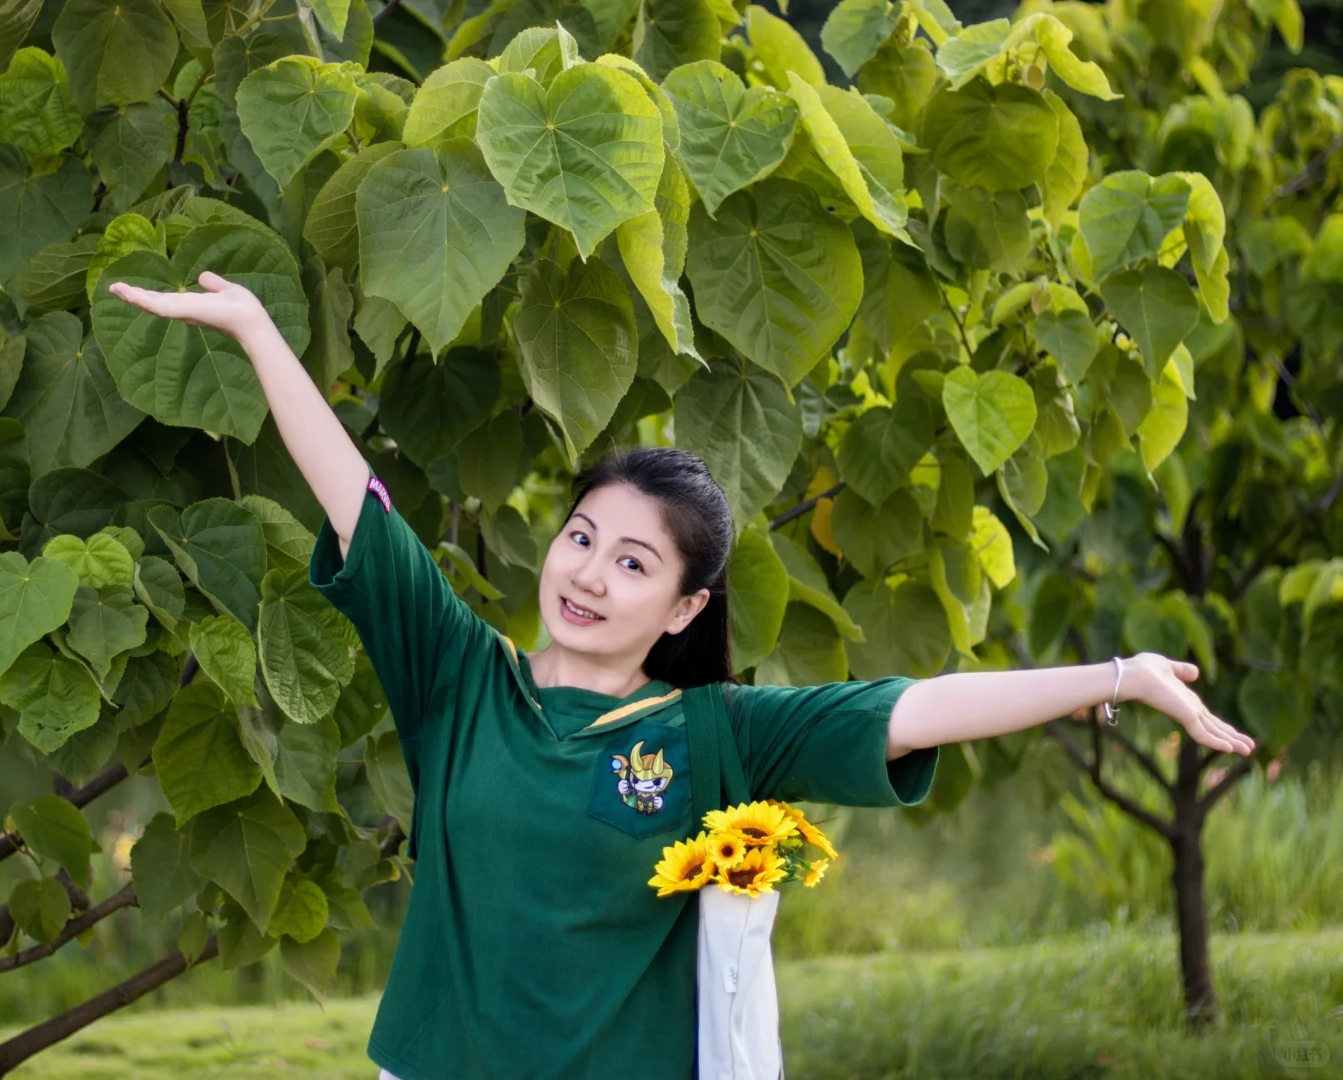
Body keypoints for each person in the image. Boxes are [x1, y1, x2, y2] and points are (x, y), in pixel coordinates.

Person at [107, 271, 1258, 1080]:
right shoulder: (462, 683)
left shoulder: (713, 733)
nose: (591, 575)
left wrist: (1119, 673)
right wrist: (259, 332)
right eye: (581, 538)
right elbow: (359, 503)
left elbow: (917, 706)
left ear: (687, 607)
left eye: (634, 562)